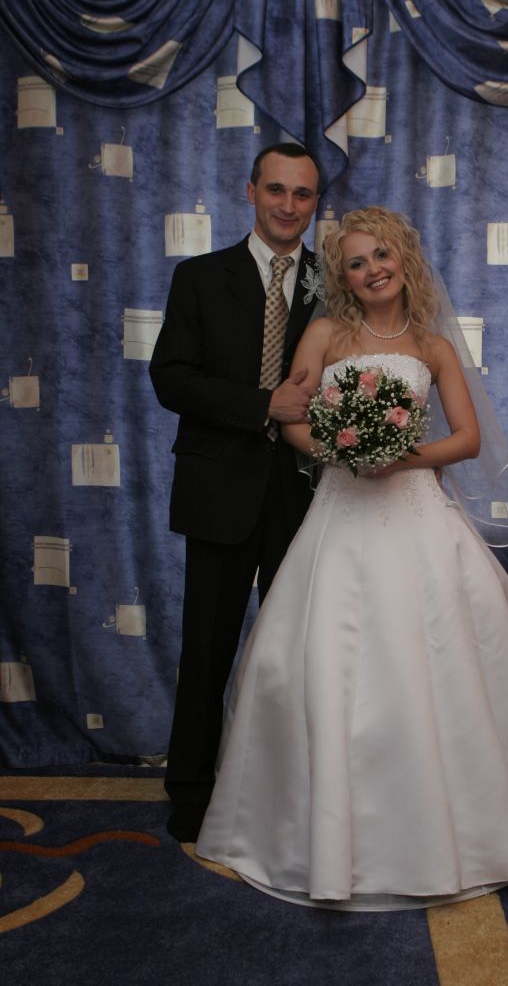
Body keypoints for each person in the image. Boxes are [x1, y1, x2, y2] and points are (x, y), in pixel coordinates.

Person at [195, 207, 508, 909]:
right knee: (325, 657)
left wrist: (398, 458)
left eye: (381, 255)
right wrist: (341, 451)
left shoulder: (433, 346)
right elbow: (291, 419)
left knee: (445, 656)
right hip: (341, 511)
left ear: (403, 259)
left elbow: (468, 439)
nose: (372, 270)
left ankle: (464, 834)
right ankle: (316, 837)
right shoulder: (325, 334)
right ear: (343, 277)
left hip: (415, 507)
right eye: (356, 262)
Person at [149, 143, 321, 842]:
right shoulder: (199, 277)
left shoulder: (334, 283)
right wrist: (261, 405)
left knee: (297, 653)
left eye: (302, 194)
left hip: (309, 494)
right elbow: (171, 378)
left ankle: (291, 796)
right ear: (250, 191)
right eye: (276, 189)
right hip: (220, 487)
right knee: (207, 648)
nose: (288, 205)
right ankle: (192, 792)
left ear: (315, 203)